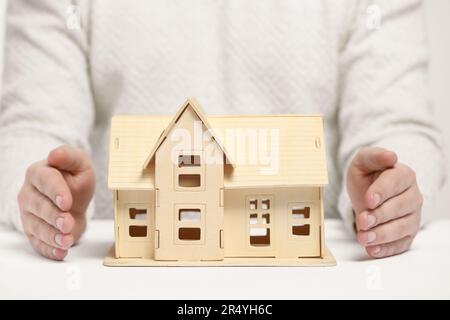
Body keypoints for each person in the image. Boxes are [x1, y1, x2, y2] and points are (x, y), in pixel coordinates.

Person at [0, 0, 445, 261]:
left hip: (312, 274)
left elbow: (398, 124)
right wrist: (44, 187)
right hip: (115, 267)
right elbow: (33, 124)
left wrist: (384, 192)